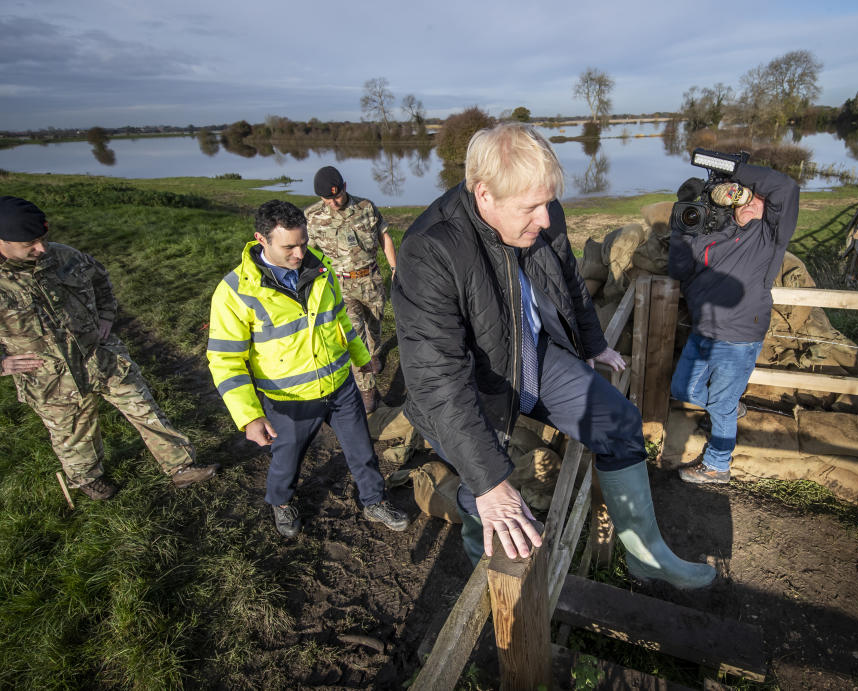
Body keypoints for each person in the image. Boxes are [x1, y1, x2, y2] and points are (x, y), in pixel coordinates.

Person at [392, 124, 715, 589]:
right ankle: (487, 588)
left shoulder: (543, 213)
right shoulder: (431, 251)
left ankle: (649, 557)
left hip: (533, 355)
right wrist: (489, 481)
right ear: (484, 195)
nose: (546, 219)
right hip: (470, 385)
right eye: (531, 208)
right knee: (487, 484)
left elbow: (569, 283)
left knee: (620, 423)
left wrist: (591, 344)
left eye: (548, 203)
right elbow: (439, 379)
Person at [206, 200, 409, 537]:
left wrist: (360, 357)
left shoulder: (321, 269)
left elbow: (340, 319)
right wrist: (249, 416)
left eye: (303, 243)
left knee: (362, 449)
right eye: (289, 247)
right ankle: (281, 503)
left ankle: (374, 500)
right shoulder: (235, 292)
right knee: (287, 460)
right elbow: (225, 359)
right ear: (262, 240)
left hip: (340, 386)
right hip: (289, 399)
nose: (300, 254)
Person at [0, 196, 217, 500]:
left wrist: (106, 316)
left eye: (42, 239)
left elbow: (101, 281)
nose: (42, 249)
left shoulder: (65, 257)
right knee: (72, 434)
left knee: (145, 409)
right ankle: (89, 479)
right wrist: (3, 363)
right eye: (30, 245)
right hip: (50, 378)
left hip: (102, 356)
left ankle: (182, 468)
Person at [668, 164, 800, 484]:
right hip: (705, 329)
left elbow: (787, 187)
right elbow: (679, 267)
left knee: (721, 403)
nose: (752, 203)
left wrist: (735, 170)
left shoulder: (769, 234)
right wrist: (681, 225)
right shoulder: (714, 232)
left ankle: (717, 464)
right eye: (745, 199)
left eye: (758, 199)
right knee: (681, 387)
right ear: (731, 203)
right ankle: (728, 410)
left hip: (739, 335)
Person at [304, 166, 397, 414]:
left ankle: (375, 354)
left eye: (337, 196)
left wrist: (394, 267)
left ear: (345, 186)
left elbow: (384, 236)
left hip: (371, 281)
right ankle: (366, 389)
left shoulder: (366, 207)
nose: (334, 202)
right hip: (340, 285)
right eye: (328, 199)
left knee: (374, 327)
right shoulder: (312, 217)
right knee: (353, 336)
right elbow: (308, 254)